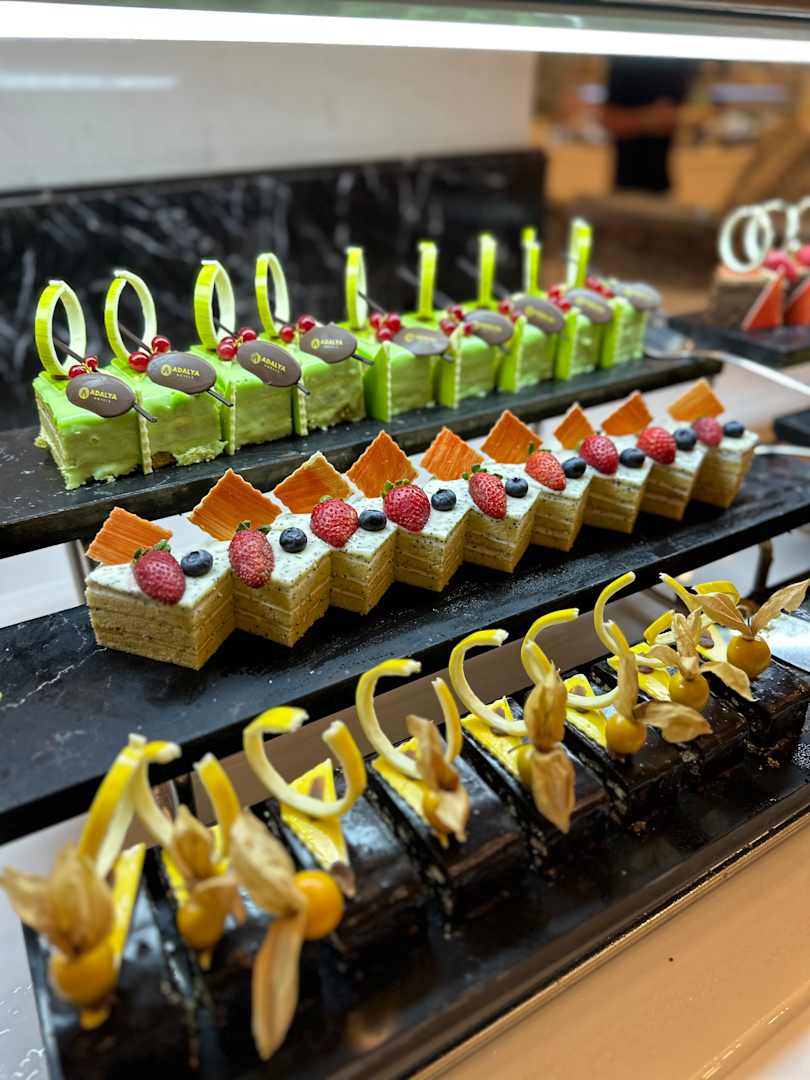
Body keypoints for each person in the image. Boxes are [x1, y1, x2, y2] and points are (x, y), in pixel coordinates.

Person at [602, 57, 698, 193]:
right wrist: (649, 119)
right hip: (627, 184)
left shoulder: (679, 66)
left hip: (662, 183)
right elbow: (609, 121)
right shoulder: (624, 65)